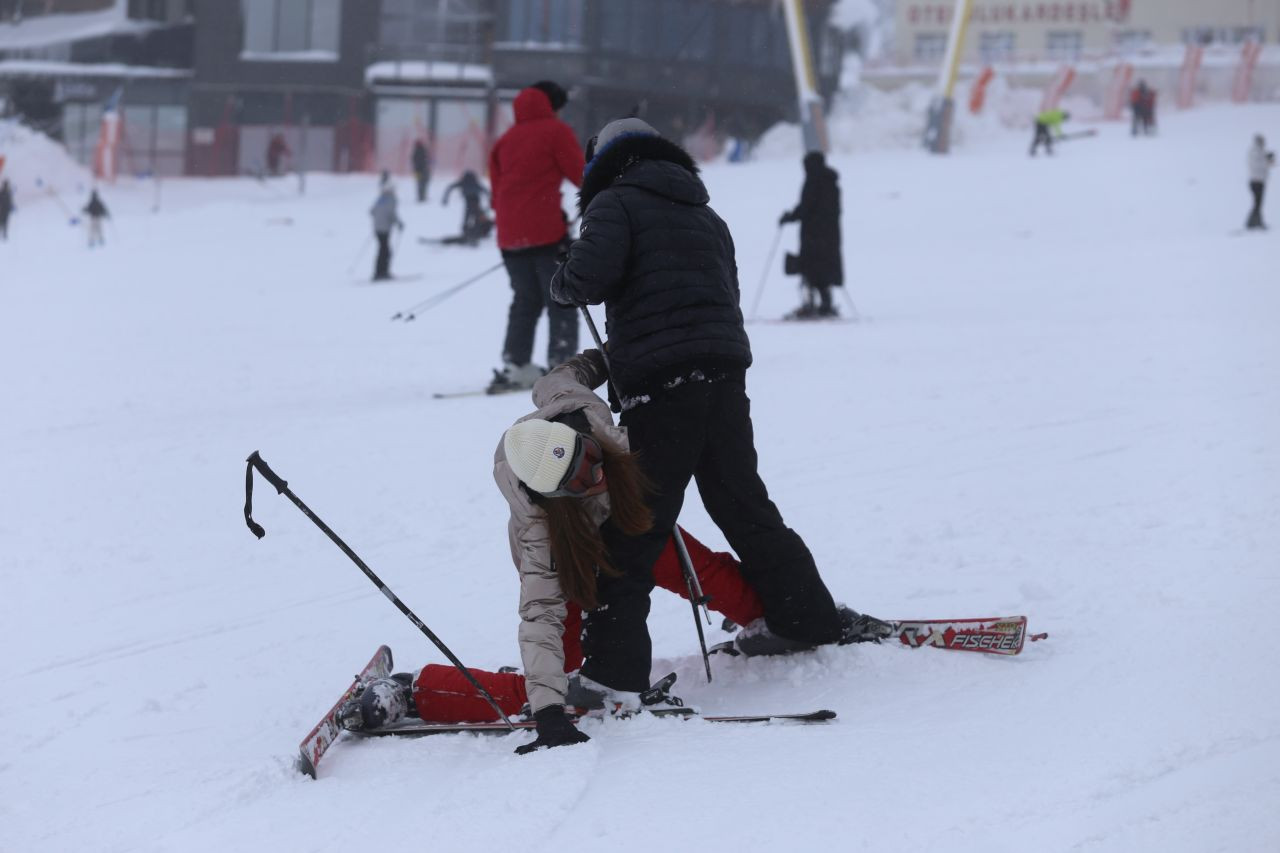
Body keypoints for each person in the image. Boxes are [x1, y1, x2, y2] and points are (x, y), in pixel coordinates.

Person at [549, 118, 890, 717]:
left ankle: (611, 675)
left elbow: (587, 279)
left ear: (602, 161)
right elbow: (720, 297)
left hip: (661, 386)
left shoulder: (614, 203)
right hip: (724, 379)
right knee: (742, 503)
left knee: (633, 526)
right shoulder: (707, 216)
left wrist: (565, 270)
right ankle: (804, 616)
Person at [339, 350, 802, 753]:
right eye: (580, 485)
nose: (596, 478)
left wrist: (609, 359)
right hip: (575, 558)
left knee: (692, 564)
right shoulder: (539, 525)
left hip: (628, 525)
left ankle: (770, 617)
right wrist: (548, 712)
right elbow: (540, 613)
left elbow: (563, 375)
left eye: (592, 462)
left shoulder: (581, 409)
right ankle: (419, 691)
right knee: (564, 690)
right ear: (554, 496)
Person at [486, 80, 585, 393]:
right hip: (546, 233)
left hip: (509, 238)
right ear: (553, 105)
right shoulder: (555, 131)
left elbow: (496, 191)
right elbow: (581, 175)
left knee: (525, 300)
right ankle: (563, 364)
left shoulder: (504, 141)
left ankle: (516, 364)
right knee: (561, 298)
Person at [779, 151, 843, 319]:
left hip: (813, 236)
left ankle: (810, 304)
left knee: (810, 269)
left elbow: (806, 207)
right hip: (830, 235)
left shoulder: (813, 182)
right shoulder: (832, 183)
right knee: (824, 270)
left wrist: (789, 217)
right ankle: (825, 304)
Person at [441, 169, 491, 244]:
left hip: (468, 203)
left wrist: (445, 199)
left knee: (467, 217)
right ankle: (474, 234)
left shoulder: (463, 182)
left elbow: (450, 187)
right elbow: (486, 191)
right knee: (476, 218)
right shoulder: (475, 183)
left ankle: (467, 234)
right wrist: (491, 201)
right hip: (475, 203)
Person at [369, 174, 404, 281]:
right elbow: (391, 213)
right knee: (385, 251)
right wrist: (399, 223)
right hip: (384, 229)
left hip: (377, 228)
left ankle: (379, 272)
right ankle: (382, 272)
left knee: (382, 250)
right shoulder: (391, 199)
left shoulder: (380, 198)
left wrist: (378, 220)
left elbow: (372, 211)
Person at [1246, 134, 1274, 231]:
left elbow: (1268, 165)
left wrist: (1268, 159)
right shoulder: (1255, 151)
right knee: (1257, 203)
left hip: (1260, 181)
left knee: (1258, 203)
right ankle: (1251, 223)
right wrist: (1266, 160)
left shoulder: (1260, 151)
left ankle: (1256, 222)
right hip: (1256, 181)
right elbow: (1257, 165)